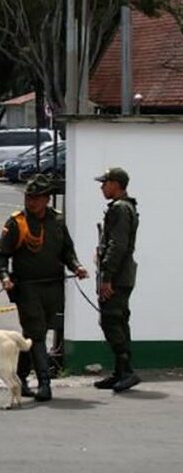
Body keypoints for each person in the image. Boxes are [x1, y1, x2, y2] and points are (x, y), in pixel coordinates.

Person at [0, 174, 88, 402]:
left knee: (35, 334)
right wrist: (4, 276)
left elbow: (66, 251)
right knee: (36, 332)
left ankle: (21, 377)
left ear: (47, 199)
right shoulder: (17, 222)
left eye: (36, 198)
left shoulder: (57, 221)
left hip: (53, 286)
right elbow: (0, 255)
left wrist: (77, 266)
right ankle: (45, 383)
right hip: (27, 287)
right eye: (28, 197)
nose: (31, 202)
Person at [94, 167, 140, 392]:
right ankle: (120, 371)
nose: (102, 187)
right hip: (122, 275)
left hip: (117, 277)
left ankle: (127, 371)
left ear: (117, 184)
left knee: (111, 320)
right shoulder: (126, 207)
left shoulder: (120, 209)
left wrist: (107, 278)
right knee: (118, 321)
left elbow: (117, 245)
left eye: (106, 183)